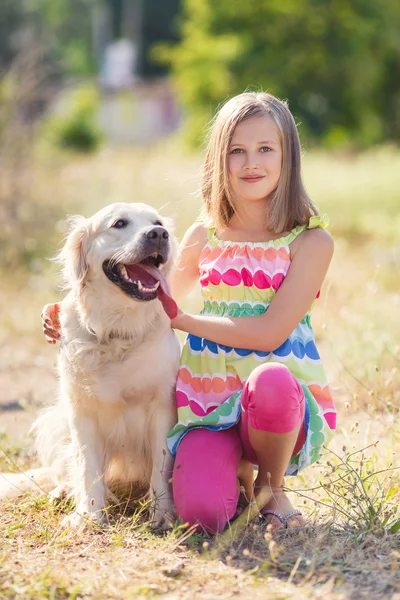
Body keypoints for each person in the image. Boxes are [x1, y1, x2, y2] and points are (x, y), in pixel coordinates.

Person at [42, 91, 336, 534]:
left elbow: (268, 333)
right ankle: (227, 475)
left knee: (272, 383)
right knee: (201, 514)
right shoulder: (204, 235)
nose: (250, 162)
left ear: (288, 157)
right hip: (209, 404)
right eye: (236, 151)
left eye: (265, 149)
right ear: (220, 160)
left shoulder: (312, 242)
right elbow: (145, 298)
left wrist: (184, 320)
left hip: (277, 402)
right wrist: (68, 312)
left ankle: (270, 488)